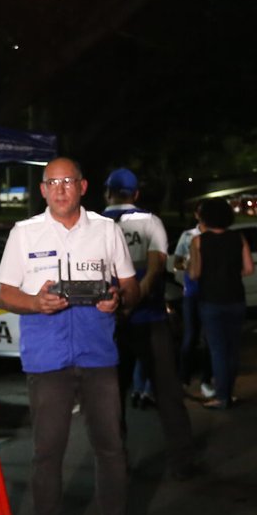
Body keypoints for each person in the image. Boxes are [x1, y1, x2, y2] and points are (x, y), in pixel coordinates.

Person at [0, 157, 150, 515]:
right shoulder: (24, 233)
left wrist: (119, 298)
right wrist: (34, 302)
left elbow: (131, 286)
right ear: (43, 190)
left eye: (68, 181)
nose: (61, 188)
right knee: (47, 452)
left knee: (112, 447)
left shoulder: (106, 230)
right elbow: (5, 295)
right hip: (47, 358)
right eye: (53, 182)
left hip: (98, 353)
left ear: (83, 187)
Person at [102, 168, 196, 477]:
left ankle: (117, 463)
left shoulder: (94, 225)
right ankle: (182, 463)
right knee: (168, 394)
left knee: (112, 397)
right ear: (136, 195)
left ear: (107, 193)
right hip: (150, 318)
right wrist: (135, 299)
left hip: (108, 323)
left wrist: (121, 306)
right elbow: (156, 268)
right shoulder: (151, 221)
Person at [187, 196, 253, 410]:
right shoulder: (239, 237)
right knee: (233, 350)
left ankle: (221, 396)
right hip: (236, 299)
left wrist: (189, 266)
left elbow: (195, 273)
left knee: (217, 350)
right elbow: (249, 269)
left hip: (211, 300)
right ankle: (228, 393)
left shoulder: (198, 241)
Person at [171, 205, 213, 399]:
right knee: (190, 337)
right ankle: (183, 379)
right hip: (192, 292)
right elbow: (176, 262)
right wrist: (187, 264)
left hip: (211, 292)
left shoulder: (216, 233)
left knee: (207, 339)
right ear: (196, 215)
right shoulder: (188, 235)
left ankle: (206, 381)